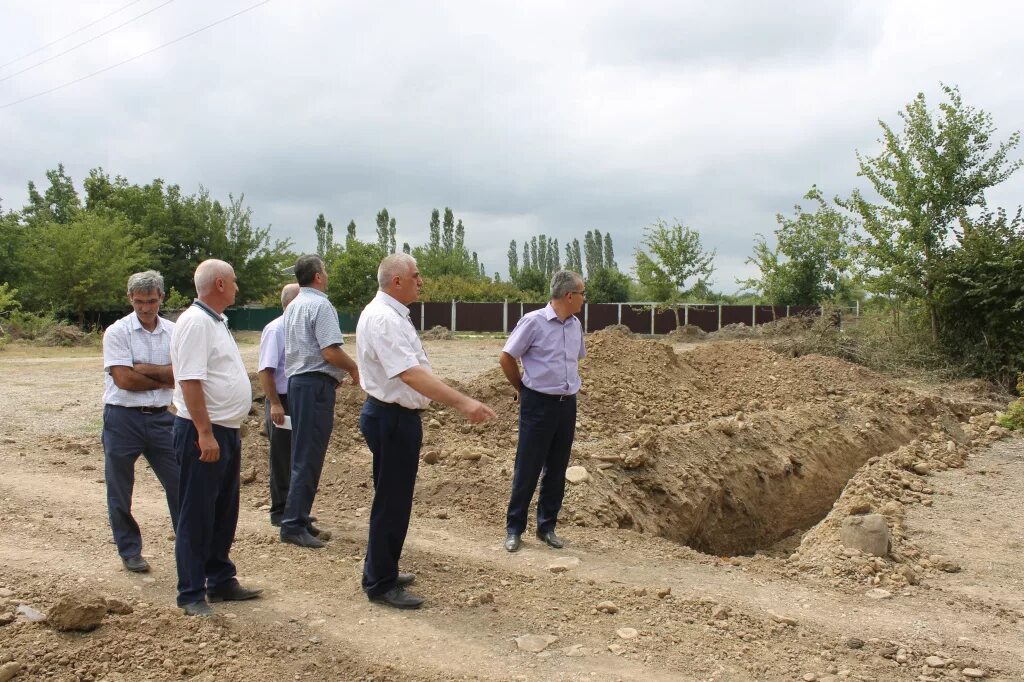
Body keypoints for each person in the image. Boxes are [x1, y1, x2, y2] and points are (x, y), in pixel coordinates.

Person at [357, 253, 496, 609]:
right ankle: (380, 583)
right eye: (416, 276)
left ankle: (381, 568)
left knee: (392, 499)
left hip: (394, 417)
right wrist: (463, 403)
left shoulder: (391, 315)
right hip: (391, 418)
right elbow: (411, 374)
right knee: (392, 501)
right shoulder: (384, 319)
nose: (421, 281)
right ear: (397, 281)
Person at [170, 259, 262, 616]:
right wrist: (204, 433)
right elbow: (190, 381)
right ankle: (191, 593)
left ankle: (220, 579)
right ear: (220, 284)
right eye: (234, 282)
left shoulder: (215, 321)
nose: (238, 287)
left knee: (223, 510)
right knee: (197, 513)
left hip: (224, 430)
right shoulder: (195, 323)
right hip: (203, 433)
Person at [500, 270, 586, 553]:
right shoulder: (533, 322)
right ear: (569, 296)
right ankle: (514, 528)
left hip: (566, 404)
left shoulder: (575, 326)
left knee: (557, 468)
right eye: (582, 294)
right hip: (537, 403)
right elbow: (507, 356)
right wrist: (522, 387)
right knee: (528, 466)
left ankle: (546, 527)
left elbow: (574, 360)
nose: (585, 299)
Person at [101, 270, 179, 573]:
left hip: (162, 419)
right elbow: (124, 379)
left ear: (161, 297)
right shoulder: (117, 332)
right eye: (138, 302)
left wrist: (145, 369)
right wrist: (164, 376)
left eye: (150, 301)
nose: (145, 308)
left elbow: (182, 374)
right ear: (129, 299)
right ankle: (129, 550)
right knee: (120, 489)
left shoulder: (174, 331)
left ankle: (187, 543)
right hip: (122, 419)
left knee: (180, 483)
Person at [280, 254, 359, 549]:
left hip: (299, 384)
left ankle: (297, 515)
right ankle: (293, 524)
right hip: (314, 386)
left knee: (303, 453)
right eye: (324, 271)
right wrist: (353, 368)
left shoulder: (294, 305)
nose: (326, 275)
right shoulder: (320, 305)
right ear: (317, 276)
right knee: (309, 455)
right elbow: (330, 352)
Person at [257, 282, 301, 528]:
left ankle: (296, 509)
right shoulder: (276, 330)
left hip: (299, 400)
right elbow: (265, 370)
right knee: (282, 458)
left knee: (298, 457)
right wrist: (274, 403)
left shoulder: (302, 329)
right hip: (282, 401)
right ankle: (280, 511)